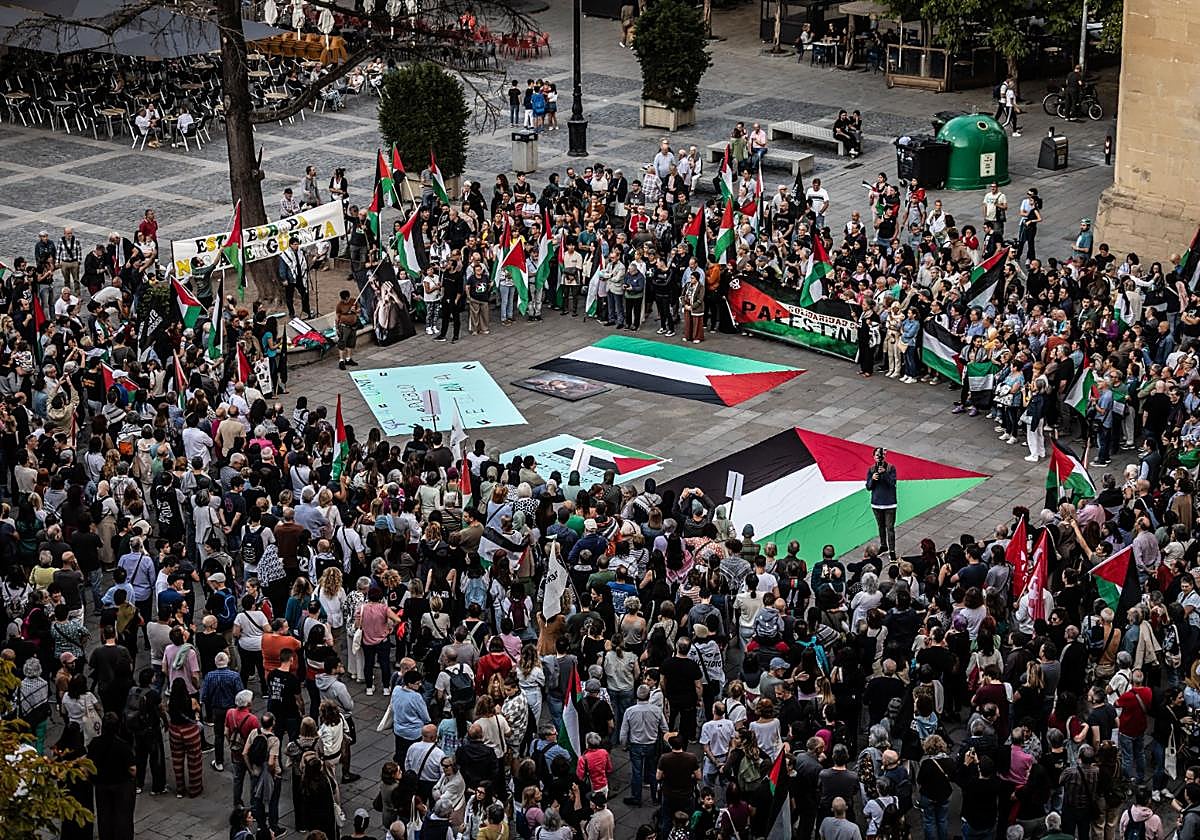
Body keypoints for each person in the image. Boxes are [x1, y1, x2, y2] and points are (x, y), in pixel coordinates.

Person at [865, 447, 897, 558]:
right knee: (880, 526)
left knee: (890, 528)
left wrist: (885, 475)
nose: (878, 458)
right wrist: (873, 479)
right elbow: (868, 487)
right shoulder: (871, 469)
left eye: (880, 456)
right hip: (876, 503)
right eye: (876, 456)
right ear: (874, 457)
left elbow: (893, 483)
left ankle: (892, 550)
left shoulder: (890, 468)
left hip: (889, 503)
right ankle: (884, 546)